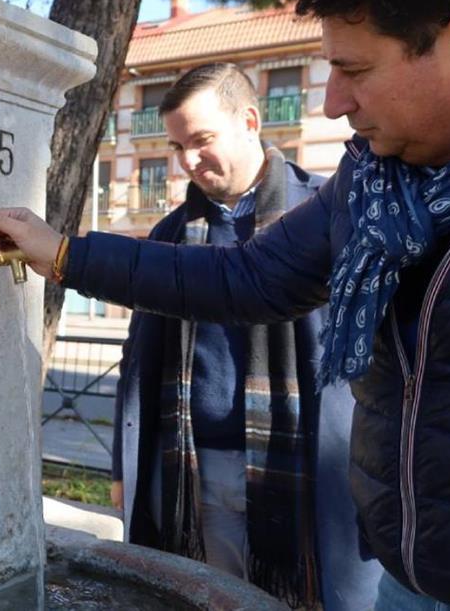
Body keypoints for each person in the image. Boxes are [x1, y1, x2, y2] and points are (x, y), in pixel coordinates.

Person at [0, 0, 450, 609]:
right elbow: (247, 277)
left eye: (354, 70)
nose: (333, 103)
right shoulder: (374, 181)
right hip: (406, 579)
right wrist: (63, 252)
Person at [98, 62, 378, 610]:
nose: (187, 161)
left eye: (200, 140)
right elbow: (137, 362)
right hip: (195, 466)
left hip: (310, 470)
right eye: (177, 147)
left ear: (250, 119)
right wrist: (121, 466)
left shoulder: (324, 211)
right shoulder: (171, 232)